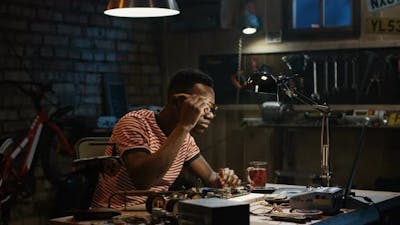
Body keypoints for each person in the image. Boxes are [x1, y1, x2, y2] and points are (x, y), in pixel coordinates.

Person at [91, 68, 241, 208]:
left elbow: (211, 178)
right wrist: (184, 125)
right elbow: (144, 181)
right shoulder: (135, 122)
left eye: (213, 109)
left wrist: (224, 178)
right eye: (203, 106)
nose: (210, 115)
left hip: (153, 211)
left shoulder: (185, 138)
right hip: (117, 212)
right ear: (177, 101)